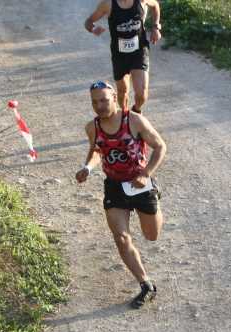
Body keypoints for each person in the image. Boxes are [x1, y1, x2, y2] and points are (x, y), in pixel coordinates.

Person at [75, 80, 167, 309]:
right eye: (95, 102)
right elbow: (96, 150)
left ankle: (156, 196)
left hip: (140, 184)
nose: (100, 106)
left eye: (104, 100)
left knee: (151, 235)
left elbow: (160, 146)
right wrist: (87, 167)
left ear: (114, 97)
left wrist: (146, 174)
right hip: (115, 186)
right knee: (121, 238)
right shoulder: (92, 127)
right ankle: (146, 284)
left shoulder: (133, 120)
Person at [84, 0, 162, 114]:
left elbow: (155, 5)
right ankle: (125, 116)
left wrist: (156, 27)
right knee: (122, 91)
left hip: (139, 51)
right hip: (119, 55)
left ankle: (136, 111)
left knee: (141, 94)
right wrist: (93, 28)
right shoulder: (108, 4)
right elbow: (88, 21)